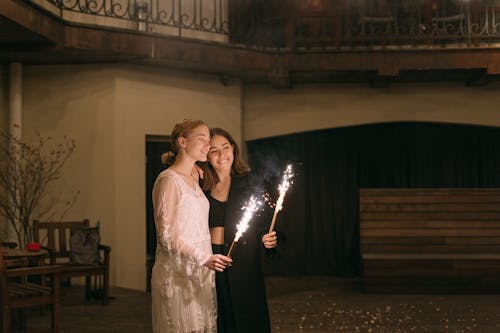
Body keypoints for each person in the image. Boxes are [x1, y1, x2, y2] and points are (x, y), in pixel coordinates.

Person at [151, 119, 232, 333]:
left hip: (201, 273)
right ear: (182, 142)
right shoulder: (168, 180)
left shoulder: (195, 176)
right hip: (178, 274)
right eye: (202, 139)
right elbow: (166, 237)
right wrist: (204, 258)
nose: (208, 144)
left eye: (209, 140)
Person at [200, 127, 278, 333]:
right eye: (214, 150)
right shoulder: (199, 185)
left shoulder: (249, 182)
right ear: (206, 155)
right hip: (209, 261)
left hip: (243, 262)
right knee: (218, 319)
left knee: (246, 318)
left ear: (233, 149)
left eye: (225, 147)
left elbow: (262, 224)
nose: (221, 155)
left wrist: (266, 239)